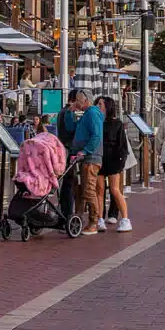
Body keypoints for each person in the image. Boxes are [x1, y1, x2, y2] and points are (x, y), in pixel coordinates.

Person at [68, 89, 105, 234]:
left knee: (89, 190)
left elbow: (96, 136)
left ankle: (94, 222)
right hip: (86, 157)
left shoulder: (92, 114)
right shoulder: (86, 115)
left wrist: (85, 150)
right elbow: (73, 128)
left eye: (79, 100)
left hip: (91, 158)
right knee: (84, 190)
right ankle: (81, 219)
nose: (77, 103)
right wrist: (71, 113)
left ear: (86, 101)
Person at [96, 96, 132, 232]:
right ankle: (100, 219)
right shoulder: (97, 121)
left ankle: (125, 219)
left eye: (100, 104)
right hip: (99, 158)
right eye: (97, 104)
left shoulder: (117, 124)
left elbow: (122, 145)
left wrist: (121, 162)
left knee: (115, 190)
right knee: (99, 190)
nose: (98, 106)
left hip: (113, 160)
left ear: (107, 106)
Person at [56, 90, 82, 220]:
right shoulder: (68, 112)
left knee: (66, 183)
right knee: (68, 183)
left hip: (63, 148)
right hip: (68, 149)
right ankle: (67, 213)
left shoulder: (62, 111)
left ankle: (64, 211)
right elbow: (71, 129)